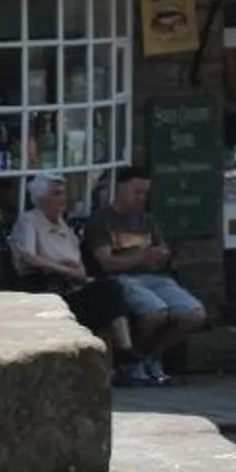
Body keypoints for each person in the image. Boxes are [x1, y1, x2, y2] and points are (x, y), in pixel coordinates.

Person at [83, 165, 207, 385]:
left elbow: (162, 249)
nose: (140, 198)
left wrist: (162, 254)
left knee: (194, 314)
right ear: (120, 189)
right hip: (122, 278)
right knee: (154, 312)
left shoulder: (147, 220)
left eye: (144, 193)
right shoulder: (101, 220)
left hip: (155, 278)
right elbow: (107, 263)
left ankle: (153, 356)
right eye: (136, 192)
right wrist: (141, 257)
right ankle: (132, 360)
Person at [6, 175, 133, 363]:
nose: (63, 198)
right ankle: (124, 354)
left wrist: (78, 272)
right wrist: (63, 269)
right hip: (46, 289)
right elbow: (29, 257)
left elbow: (77, 259)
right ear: (41, 199)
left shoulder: (62, 224)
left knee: (111, 290)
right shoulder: (29, 221)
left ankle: (123, 353)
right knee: (108, 295)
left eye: (64, 193)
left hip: (71, 285)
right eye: (57, 194)